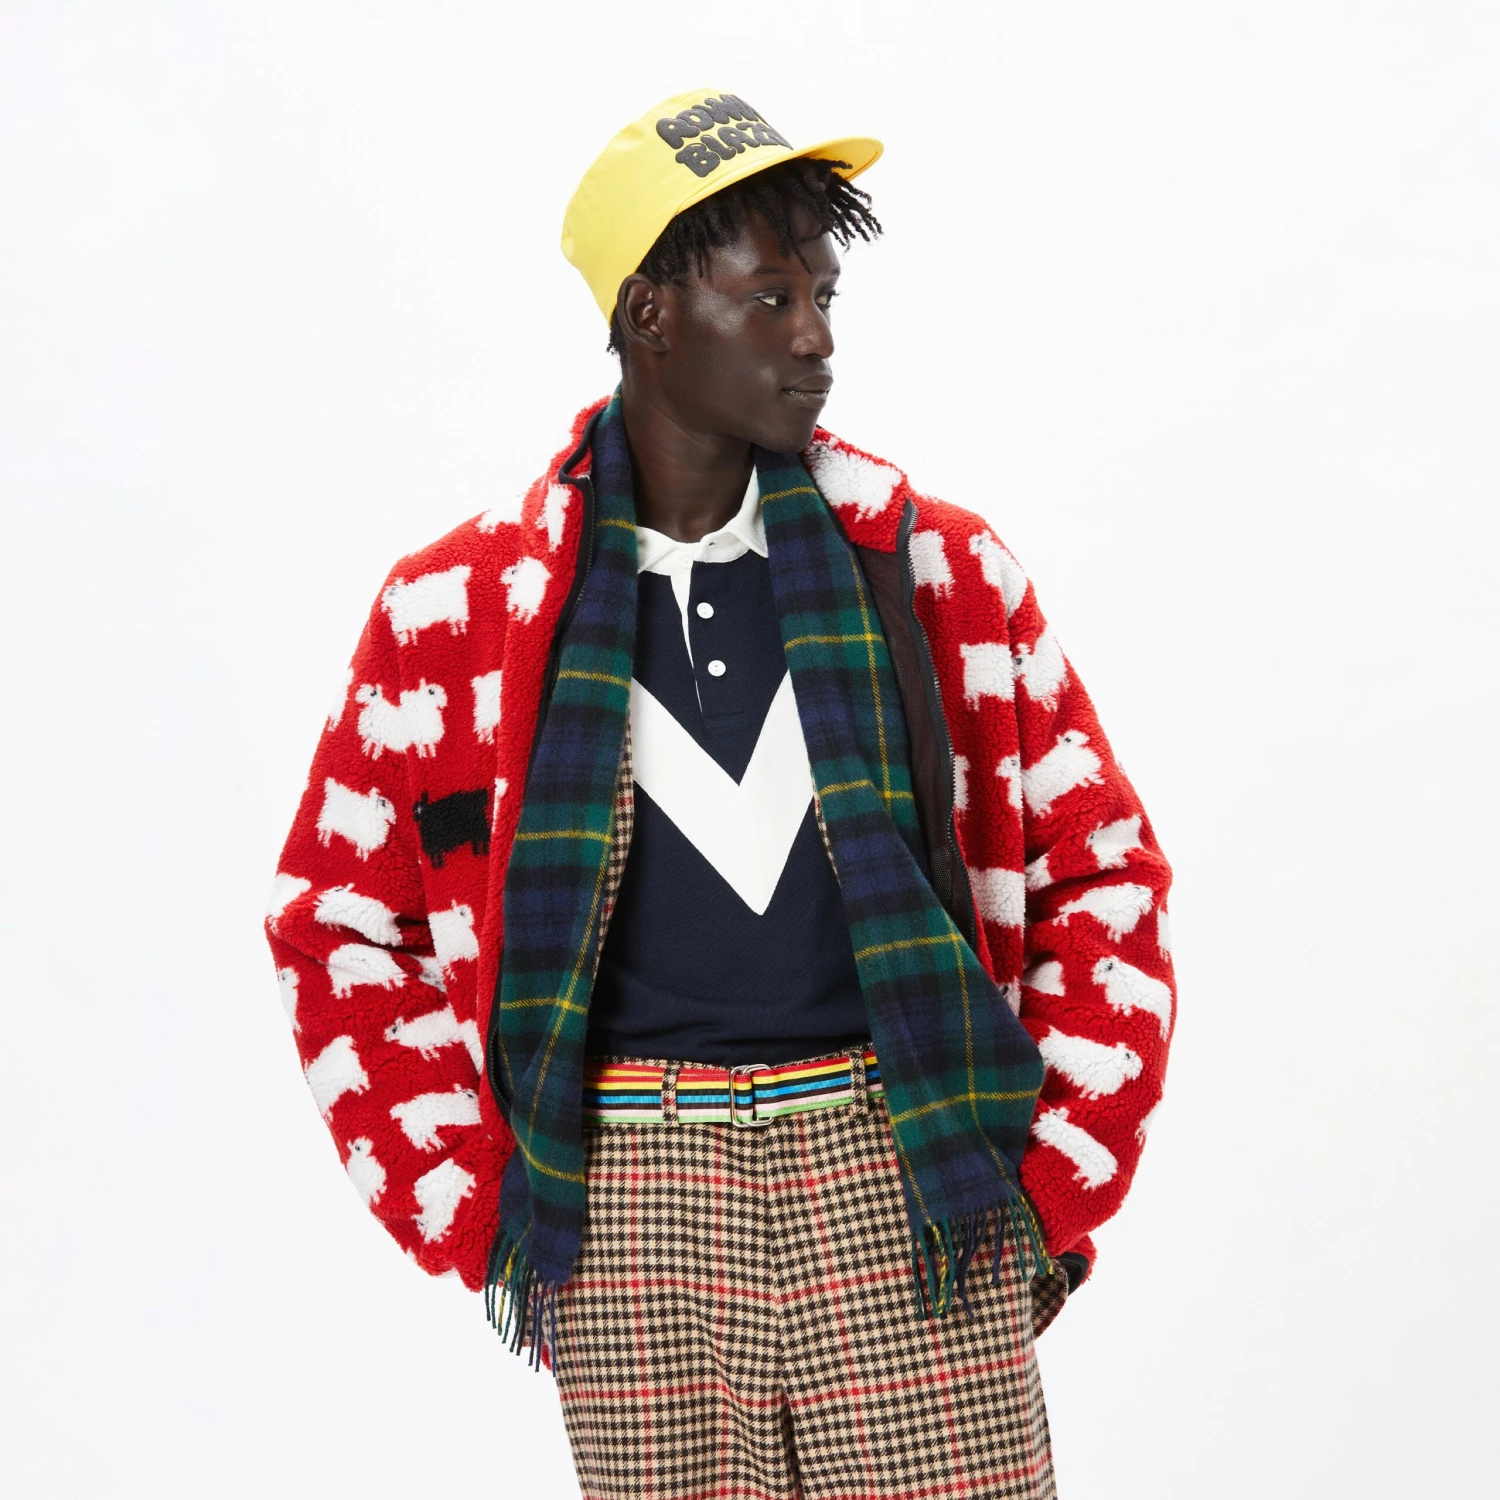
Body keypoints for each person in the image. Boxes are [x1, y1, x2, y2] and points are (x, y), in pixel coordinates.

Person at [265, 87, 1176, 1500]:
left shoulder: (933, 572)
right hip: (626, 1204)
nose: (815, 336)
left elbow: (1101, 871)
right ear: (651, 315)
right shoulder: (457, 614)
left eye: (822, 295)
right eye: (769, 297)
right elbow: (337, 924)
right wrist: (489, 1211)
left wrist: (1044, 1187)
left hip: (908, 1172)